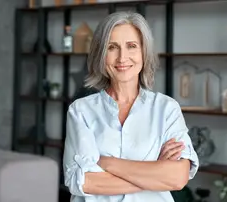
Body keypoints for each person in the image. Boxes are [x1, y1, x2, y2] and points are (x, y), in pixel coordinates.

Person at [63, 11, 199, 202]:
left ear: (144, 52)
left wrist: (106, 162)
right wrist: (155, 174)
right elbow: (82, 182)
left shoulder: (167, 109)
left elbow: (177, 178)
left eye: (132, 46)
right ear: (101, 54)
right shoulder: (81, 111)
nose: (122, 57)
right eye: (112, 47)